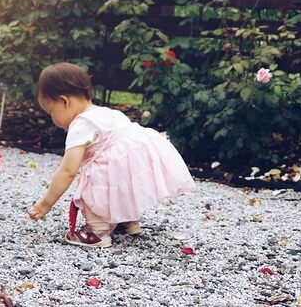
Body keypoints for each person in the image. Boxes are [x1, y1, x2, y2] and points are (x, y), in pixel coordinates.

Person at [27, 62, 195, 247]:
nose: (52, 118)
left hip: (119, 161)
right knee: (120, 179)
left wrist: (45, 204)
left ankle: (97, 231)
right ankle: (127, 219)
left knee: (92, 181)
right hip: (138, 156)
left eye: (51, 111)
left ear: (64, 101)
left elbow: (68, 170)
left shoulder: (81, 124)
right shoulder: (106, 112)